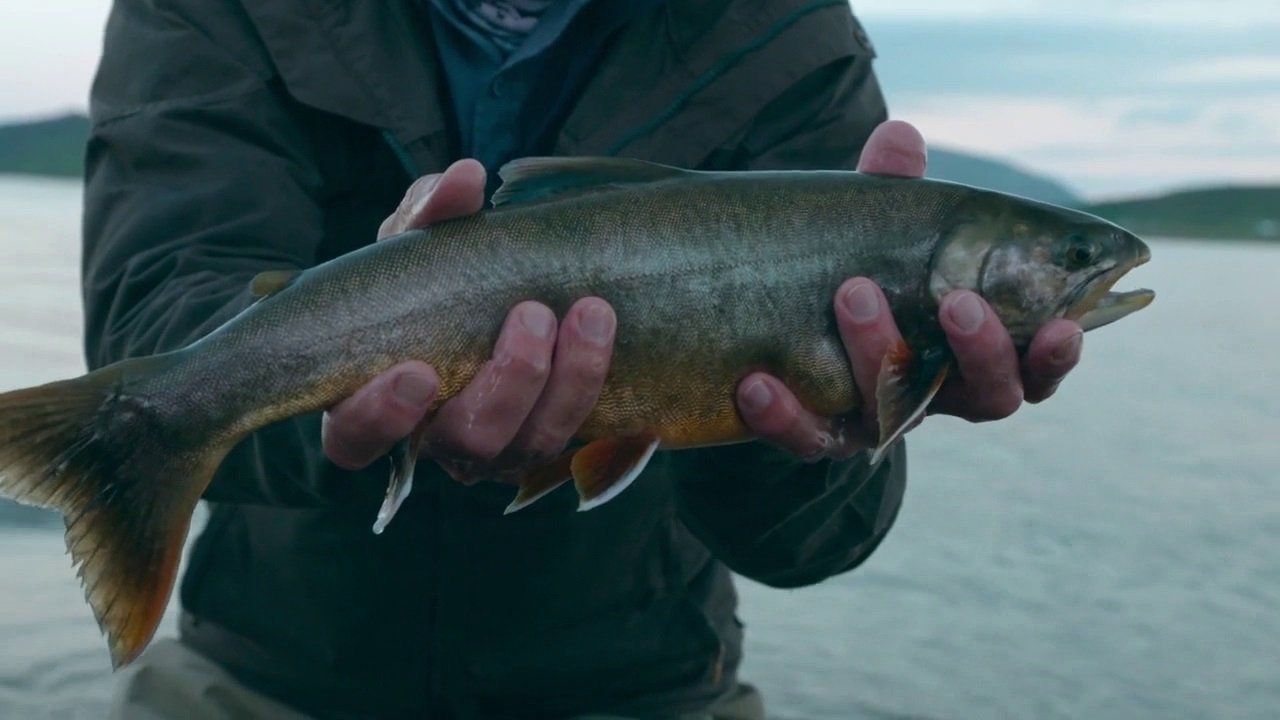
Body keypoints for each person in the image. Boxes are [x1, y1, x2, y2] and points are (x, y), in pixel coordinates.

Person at [83, 1, 1083, 718]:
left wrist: (800, 430)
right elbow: (157, 321)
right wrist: (345, 416)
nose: (1083, 276)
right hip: (268, 675)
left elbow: (820, 542)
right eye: (1071, 264)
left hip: (644, 685)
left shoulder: (788, 36)